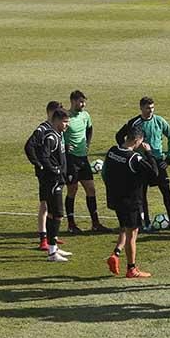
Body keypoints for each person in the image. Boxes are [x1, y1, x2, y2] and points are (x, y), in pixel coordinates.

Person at [102, 126, 159, 278]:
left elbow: (106, 173)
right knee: (132, 233)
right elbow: (154, 174)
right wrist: (149, 153)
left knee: (124, 228)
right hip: (131, 202)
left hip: (115, 199)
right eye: (141, 141)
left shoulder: (112, 151)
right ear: (136, 140)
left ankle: (116, 254)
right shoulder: (134, 158)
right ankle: (131, 268)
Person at [115, 97, 170, 231]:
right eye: (148, 108)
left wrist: (169, 157)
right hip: (142, 162)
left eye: (152, 108)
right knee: (141, 194)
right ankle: (146, 223)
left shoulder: (159, 121)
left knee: (166, 191)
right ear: (141, 108)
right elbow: (119, 136)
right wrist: (128, 152)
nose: (150, 111)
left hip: (158, 160)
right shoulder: (134, 122)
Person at [26, 100, 68, 250]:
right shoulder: (43, 129)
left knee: (50, 206)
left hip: (52, 172)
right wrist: (39, 164)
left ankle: (52, 237)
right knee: (45, 204)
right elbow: (29, 146)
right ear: (51, 113)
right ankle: (44, 238)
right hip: (46, 173)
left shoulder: (55, 130)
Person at [63, 90, 105, 233]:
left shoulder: (85, 115)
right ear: (73, 101)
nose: (83, 104)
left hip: (83, 158)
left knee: (91, 189)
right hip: (71, 160)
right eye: (81, 101)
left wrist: (87, 144)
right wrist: (65, 146)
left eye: (84, 101)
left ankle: (95, 223)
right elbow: (58, 132)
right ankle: (71, 224)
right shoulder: (66, 117)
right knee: (72, 190)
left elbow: (90, 128)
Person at [36, 109, 71, 262]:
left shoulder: (59, 135)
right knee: (57, 215)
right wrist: (55, 170)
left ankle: (53, 248)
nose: (66, 125)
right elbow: (43, 157)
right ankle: (52, 252)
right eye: (64, 122)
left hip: (58, 180)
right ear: (56, 121)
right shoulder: (51, 136)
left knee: (52, 214)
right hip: (53, 181)